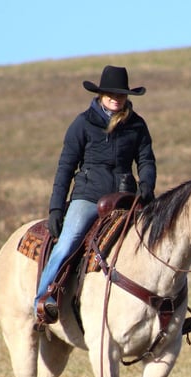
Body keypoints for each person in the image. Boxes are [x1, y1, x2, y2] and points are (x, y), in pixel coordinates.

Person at [34, 65, 157, 324]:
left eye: (121, 94)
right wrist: (56, 209)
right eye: (111, 93)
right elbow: (65, 168)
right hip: (88, 196)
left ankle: (163, 305)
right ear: (101, 94)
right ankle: (44, 300)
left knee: (155, 241)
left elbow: (146, 160)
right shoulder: (82, 124)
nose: (116, 98)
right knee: (69, 240)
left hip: (126, 198)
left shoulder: (137, 125)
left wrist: (147, 185)